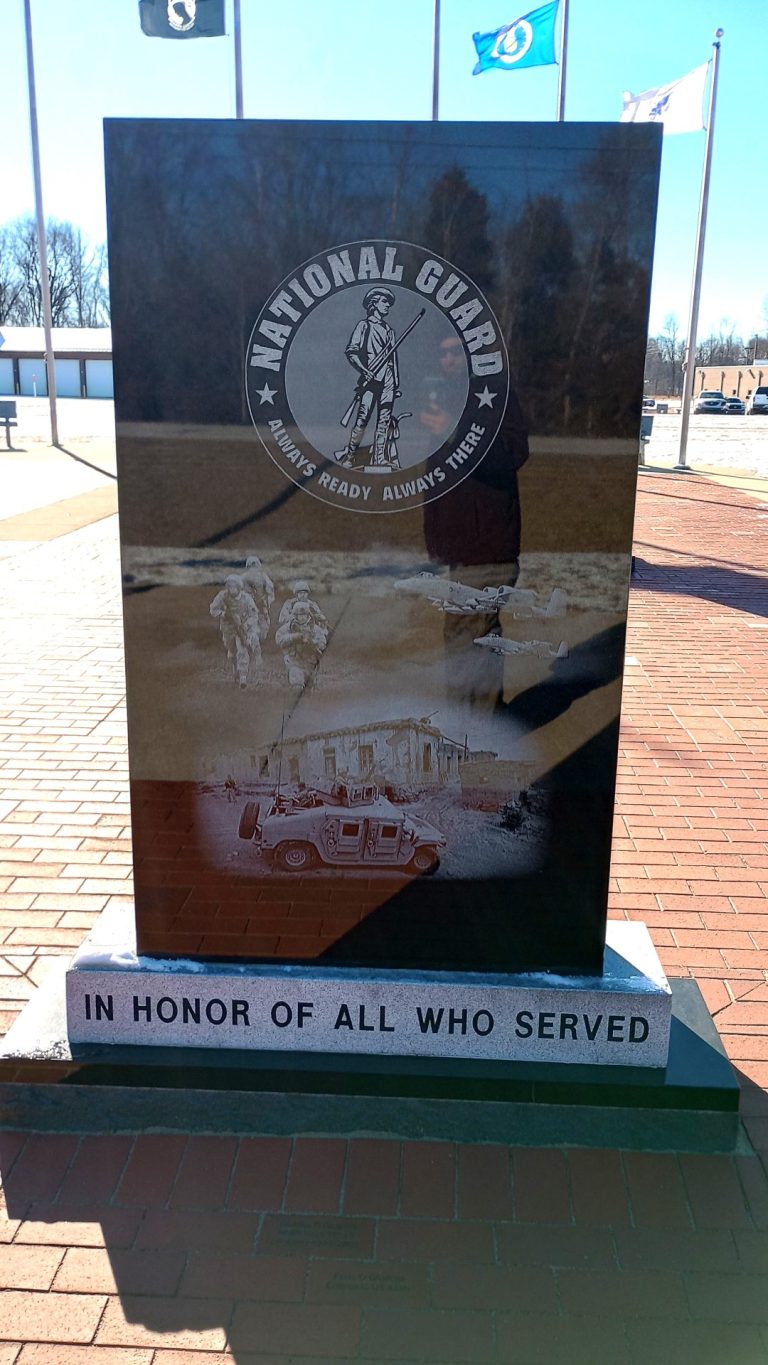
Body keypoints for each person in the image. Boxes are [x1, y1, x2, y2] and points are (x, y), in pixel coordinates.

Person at [337, 287, 401, 469]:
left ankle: (379, 459)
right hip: (371, 379)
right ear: (374, 304)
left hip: (388, 379)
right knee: (363, 418)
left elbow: (393, 359)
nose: (387, 305)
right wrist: (364, 370)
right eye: (384, 301)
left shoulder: (390, 331)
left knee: (384, 421)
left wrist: (395, 383)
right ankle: (350, 456)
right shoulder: (363, 326)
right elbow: (351, 351)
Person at [209, 575, 262, 687]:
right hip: (228, 629)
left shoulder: (246, 598)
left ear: (239, 587)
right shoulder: (222, 596)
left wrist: (246, 625)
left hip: (242, 628)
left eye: (234, 586)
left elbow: (254, 615)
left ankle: (243, 677)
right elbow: (213, 609)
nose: (232, 589)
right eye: (230, 586)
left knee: (242, 649)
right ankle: (235, 668)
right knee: (232, 652)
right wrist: (223, 614)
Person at [275, 600, 328, 688]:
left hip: (310, 661)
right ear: (295, 615)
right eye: (299, 615)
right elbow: (279, 639)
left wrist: (311, 642)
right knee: (297, 685)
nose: (302, 617)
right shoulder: (288, 627)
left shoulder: (314, 629)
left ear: (308, 615)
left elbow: (322, 643)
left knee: (309, 687)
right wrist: (295, 637)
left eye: (304, 615)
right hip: (294, 661)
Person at [241, 555, 275, 640]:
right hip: (260, 604)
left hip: (248, 605)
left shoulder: (242, 577)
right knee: (263, 621)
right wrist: (267, 602)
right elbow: (270, 590)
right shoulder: (263, 576)